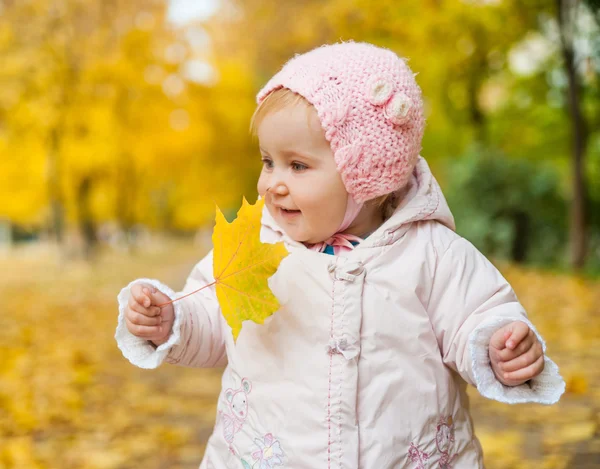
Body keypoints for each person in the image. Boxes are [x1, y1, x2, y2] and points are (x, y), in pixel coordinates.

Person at [115, 42, 565, 468]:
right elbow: (212, 314)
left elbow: (475, 314)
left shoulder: (433, 255)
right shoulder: (257, 251)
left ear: (365, 175)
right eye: (267, 161)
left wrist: (497, 348)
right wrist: (171, 321)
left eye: (297, 165)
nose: (273, 183)